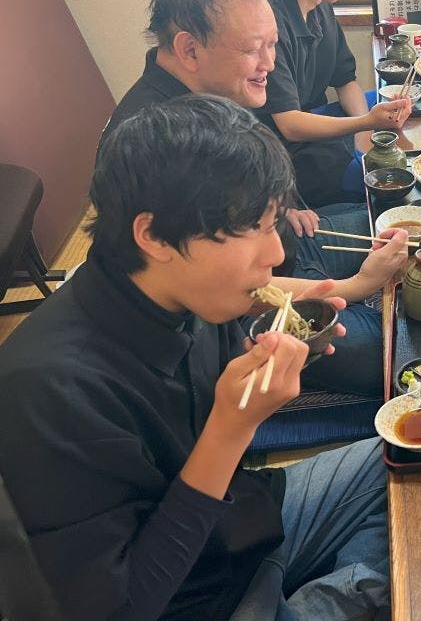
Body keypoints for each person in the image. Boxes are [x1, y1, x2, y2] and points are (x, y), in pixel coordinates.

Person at [0, 95, 391, 620]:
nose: (276, 254)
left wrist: (285, 363)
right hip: (192, 597)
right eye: (252, 228)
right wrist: (231, 428)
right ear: (154, 235)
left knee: (416, 451)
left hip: (246, 525)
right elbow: (122, 608)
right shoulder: (46, 392)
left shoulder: (191, 295)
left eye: (273, 224)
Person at [102, 0, 407, 396]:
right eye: (252, 49)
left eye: (272, 44)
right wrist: (356, 287)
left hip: (289, 247)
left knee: (402, 224)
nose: (270, 63)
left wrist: (287, 205)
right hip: (250, 305)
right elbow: (230, 287)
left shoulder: (214, 93)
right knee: (400, 351)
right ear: (189, 49)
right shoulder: (163, 144)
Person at [257, 0, 412, 207]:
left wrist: (368, 125)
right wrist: (365, 124)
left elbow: (345, 80)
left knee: (387, 102)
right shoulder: (268, 17)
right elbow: (288, 123)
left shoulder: (320, 4)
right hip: (282, 148)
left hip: (315, 119)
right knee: (387, 175)